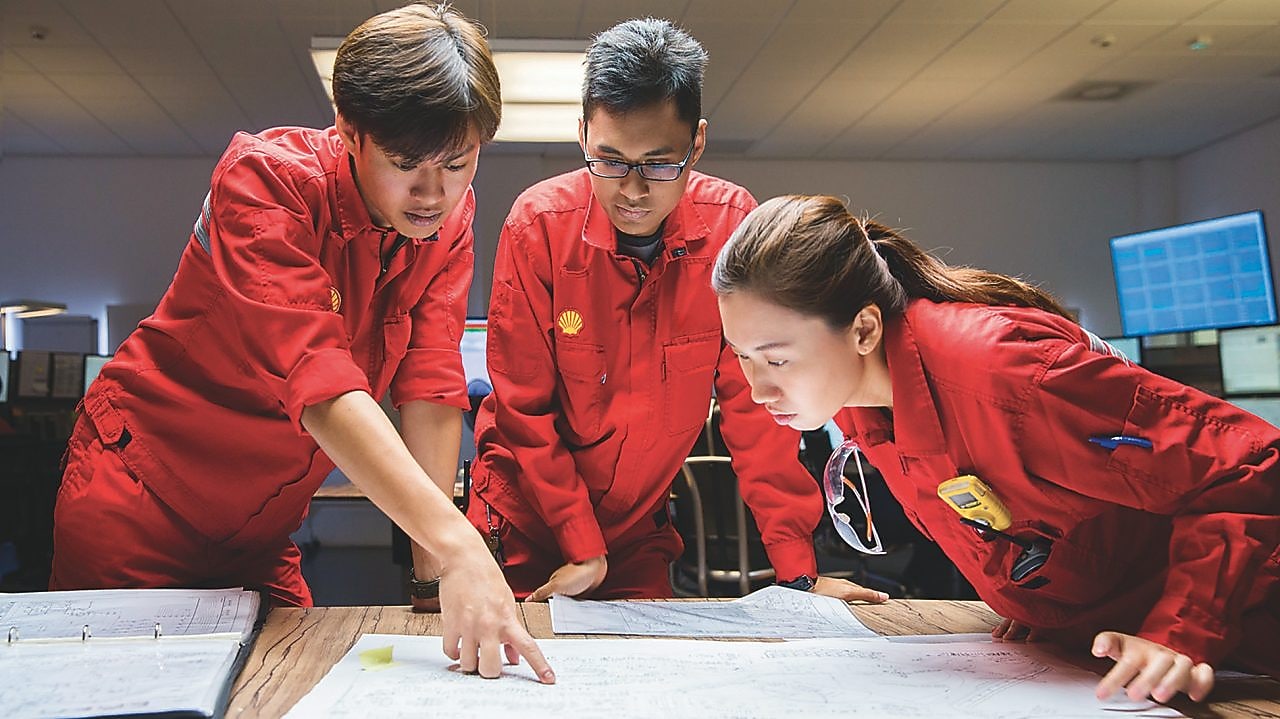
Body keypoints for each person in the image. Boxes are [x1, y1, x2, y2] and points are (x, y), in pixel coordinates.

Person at [49, 3, 553, 683]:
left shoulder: (446, 219)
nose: (435, 193)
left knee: (292, 685)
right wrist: (462, 544)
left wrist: (434, 576)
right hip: (140, 503)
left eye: (459, 164)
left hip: (258, 534)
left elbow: (431, 382)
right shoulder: (265, 183)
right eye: (408, 163)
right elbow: (319, 382)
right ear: (350, 130)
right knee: (116, 693)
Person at [713, 194, 1280, 704]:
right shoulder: (863, 402)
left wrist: (1180, 631)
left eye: (777, 358)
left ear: (863, 330)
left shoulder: (1007, 375)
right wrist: (1043, 603)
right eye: (741, 355)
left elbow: (1247, 467)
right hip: (1101, 651)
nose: (758, 389)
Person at [466, 19, 886, 604]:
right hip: (524, 522)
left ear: (698, 143)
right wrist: (580, 544)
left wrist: (798, 570)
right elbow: (523, 409)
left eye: (659, 164)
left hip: (636, 531)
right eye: (609, 161)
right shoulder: (538, 227)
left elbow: (756, 409)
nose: (632, 191)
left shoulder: (731, 229)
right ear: (583, 135)